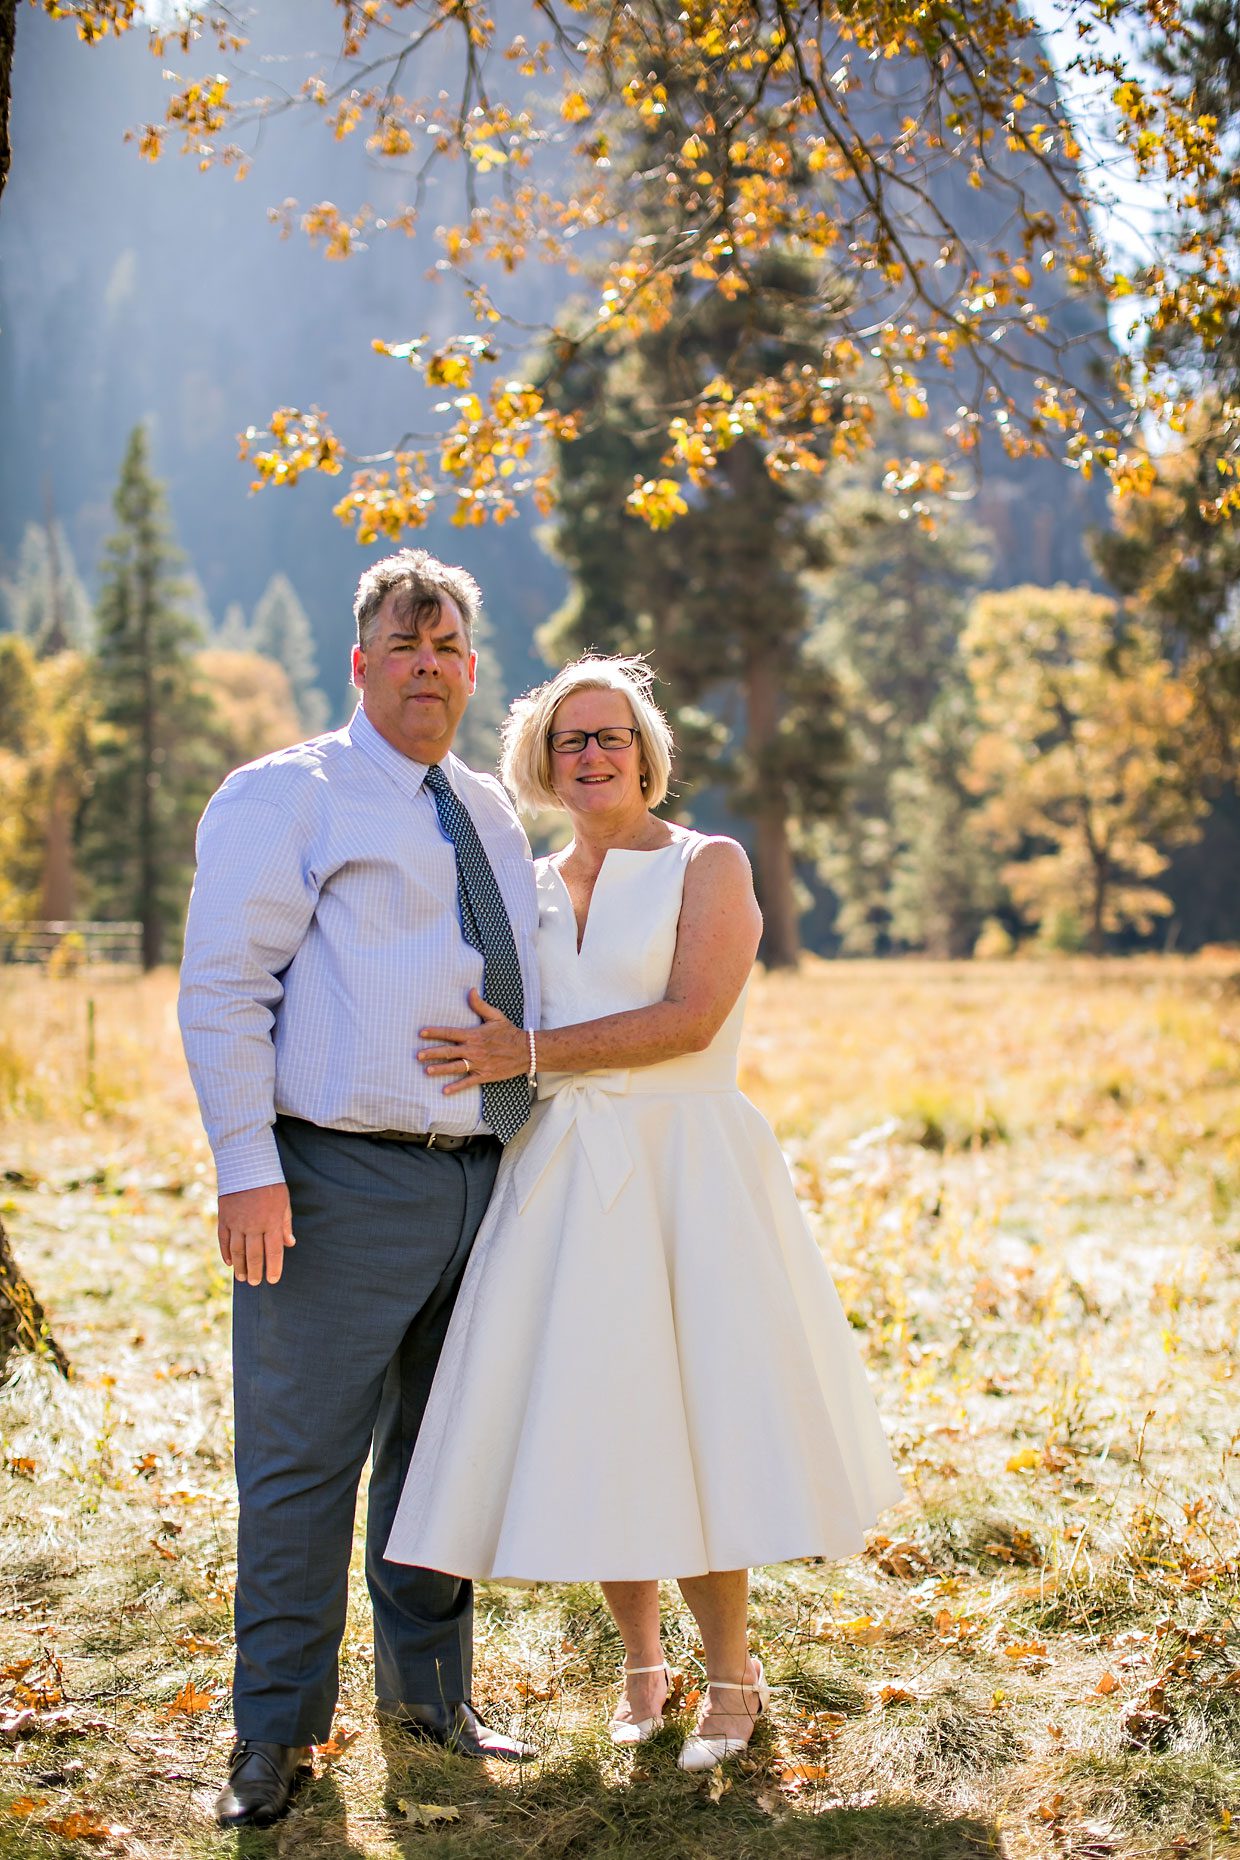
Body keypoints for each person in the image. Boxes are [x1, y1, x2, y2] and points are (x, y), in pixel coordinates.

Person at [384, 655, 904, 1772]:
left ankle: (732, 1673)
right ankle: (641, 1666)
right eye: (570, 740)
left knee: (700, 1416)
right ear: (542, 760)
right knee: (603, 1417)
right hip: (564, 1172)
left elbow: (689, 1015)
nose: (593, 754)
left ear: (646, 748)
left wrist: (527, 1053)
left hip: (686, 1167)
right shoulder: (518, 886)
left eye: (611, 734)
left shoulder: (707, 864)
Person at [177, 549, 541, 1829]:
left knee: (438, 1459)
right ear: (362, 662)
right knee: (299, 1472)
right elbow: (225, 988)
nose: (428, 667)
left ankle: (431, 1702)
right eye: (406, 645)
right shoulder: (290, 795)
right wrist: (248, 1170)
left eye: (447, 650)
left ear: (470, 669)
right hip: (331, 1182)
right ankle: (271, 1740)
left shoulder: (490, 808)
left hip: (478, 1183)